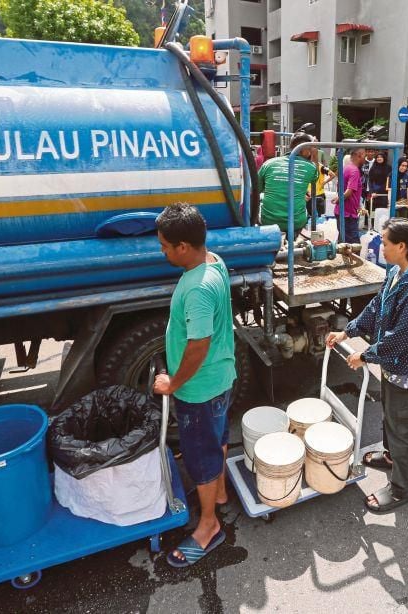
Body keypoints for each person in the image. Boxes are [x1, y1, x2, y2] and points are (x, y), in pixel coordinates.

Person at [326, 218, 408, 514]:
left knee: (402, 425)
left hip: (405, 366)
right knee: (391, 415)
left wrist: (365, 355)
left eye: (386, 243)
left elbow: (402, 336)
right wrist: (347, 331)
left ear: (402, 247)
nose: (382, 247)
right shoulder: (397, 273)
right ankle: (390, 457)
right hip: (392, 364)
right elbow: (376, 307)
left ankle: (400, 489)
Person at [153, 203, 235, 567]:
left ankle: (208, 525)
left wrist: (174, 383)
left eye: (166, 246)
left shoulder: (197, 289)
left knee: (200, 456)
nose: (163, 252)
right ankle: (218, 495)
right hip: (221, 378)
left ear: (184, 246)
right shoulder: (213, 260)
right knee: (216, 438)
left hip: (200, 388)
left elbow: (198, 343)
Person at [257, 133, 319, 235]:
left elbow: (256, 190)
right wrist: (315, 156)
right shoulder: (310, 167)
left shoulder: (269, 164)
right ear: (305, 150)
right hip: (295, 222)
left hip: (269, 220)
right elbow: (314, 179)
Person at [332, 148, 365, 243]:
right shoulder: (354, 170)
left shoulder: (346, 168)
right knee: (353, 245)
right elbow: (349, 191)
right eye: (364, 156)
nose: (365, 159)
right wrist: (338, 199)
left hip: (343, 212)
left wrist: (338, 199)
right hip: (348, 214)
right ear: (359, 155)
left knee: (343, 241)